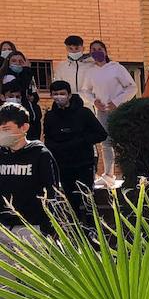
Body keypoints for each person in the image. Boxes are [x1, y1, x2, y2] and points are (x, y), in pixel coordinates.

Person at [41, 80, 106, 223]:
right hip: (63, 165)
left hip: (84, 163)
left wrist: (80, 141)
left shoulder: (84, 113)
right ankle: (75, 229)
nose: (59, 97)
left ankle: (92, 228)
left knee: (87, 197)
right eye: (55, 94)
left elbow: (101, 134)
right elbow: (48, 138)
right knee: (71, 199)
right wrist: (58, 148)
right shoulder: (50, 116)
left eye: (62, 94)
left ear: (69, 95)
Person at [0, 101, 59, 241]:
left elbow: (52, 192)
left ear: (24, 127)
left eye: (6, 128)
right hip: (3, 229)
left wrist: (48, 227)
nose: (2, 133)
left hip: (32, 229)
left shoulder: (40, 154)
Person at [84, 39, 136, 185]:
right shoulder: (91, 71)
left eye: (99, 49)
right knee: (106, 143)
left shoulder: (116, 68)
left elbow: (132, 87)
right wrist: (94, 101)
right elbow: (84, 90)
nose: (96, 52)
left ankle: (130, 174)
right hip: (102, 112)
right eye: (93, 49)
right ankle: (109, 175)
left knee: (123, 142)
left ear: (105, 51)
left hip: (120, 110)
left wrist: (117, 102)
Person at [3, 51, 42, 138]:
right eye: (14, 61)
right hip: (16, 119)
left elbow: (34, 93)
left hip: (32, 119)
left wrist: (33, 97)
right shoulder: (7, 76)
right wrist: (27, 70)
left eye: (21, 61)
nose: (17, 63)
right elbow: (17, 87)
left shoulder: (28, 76)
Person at [52, 34, 94, 103]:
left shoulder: (92, 65)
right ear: (66, 49)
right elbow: (57, 87)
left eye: (77, 48)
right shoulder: (61, 67)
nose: (74, 51)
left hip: (89, 105)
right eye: (70, 48)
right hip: (68, 105)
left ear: (83, 48)